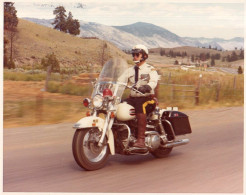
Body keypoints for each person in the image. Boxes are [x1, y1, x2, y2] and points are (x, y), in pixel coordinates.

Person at [120, 44, 160, 149]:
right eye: (133, 54)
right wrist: (111, 85)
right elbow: (120, 80)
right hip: (133, 99)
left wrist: (147, 87)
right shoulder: (130, 70)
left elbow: (154, 81)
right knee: (119, 105)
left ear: (144, 56)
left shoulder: (150, 69)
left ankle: (141, 139)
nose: (134, 57)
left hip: (147, 99)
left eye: (137, 54)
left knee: (140, 106)